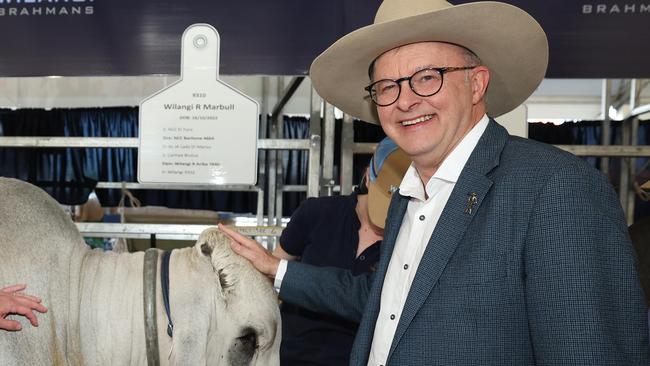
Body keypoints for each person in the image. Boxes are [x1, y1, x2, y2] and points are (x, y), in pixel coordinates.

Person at [220, 0, 650, 364]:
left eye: (428, 77)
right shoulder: (409, 195)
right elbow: (387, 300)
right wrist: (277, 269)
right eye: (387, 86)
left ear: (477, 82)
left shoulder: (556, 189)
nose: (405, 100)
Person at [273, 137, 409, 365]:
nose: (386, 218)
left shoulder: (406, 241)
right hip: (290, 357)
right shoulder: (316, 213)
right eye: (384, 200)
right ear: (368, 176)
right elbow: (271, 275)